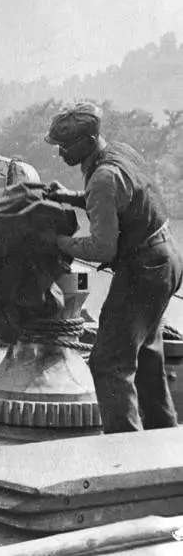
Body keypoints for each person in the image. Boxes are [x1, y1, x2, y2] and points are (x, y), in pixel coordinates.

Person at [43, 101, 182, 433]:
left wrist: (58, 243)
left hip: (143, 270)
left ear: (89, 141)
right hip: (167, 259)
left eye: (66, 145)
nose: (61, 153)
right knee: (147, 358)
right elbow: (120, 197)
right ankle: (163, 442)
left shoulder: (103, 178)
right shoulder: (119, 153)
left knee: (108, 363)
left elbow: (104, 247)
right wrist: (71, 197)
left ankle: (123, 454)